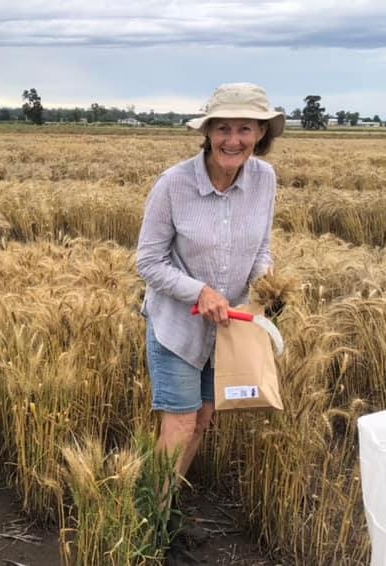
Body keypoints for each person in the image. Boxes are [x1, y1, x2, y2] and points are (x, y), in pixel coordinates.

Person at [136, 83, 284, 546]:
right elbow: (148, 262)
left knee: (202, 420)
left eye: (245, 128)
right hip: (177, 325)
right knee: (178, 424)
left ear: (261, 133)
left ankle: (165, 504)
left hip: (229, 330)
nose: (233, 139)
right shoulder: (174, 184)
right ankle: (148, 522)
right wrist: (200, 290)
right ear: (208, 132)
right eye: (223, 128)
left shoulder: (265, 179)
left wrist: (264, 287)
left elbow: (261, 249)